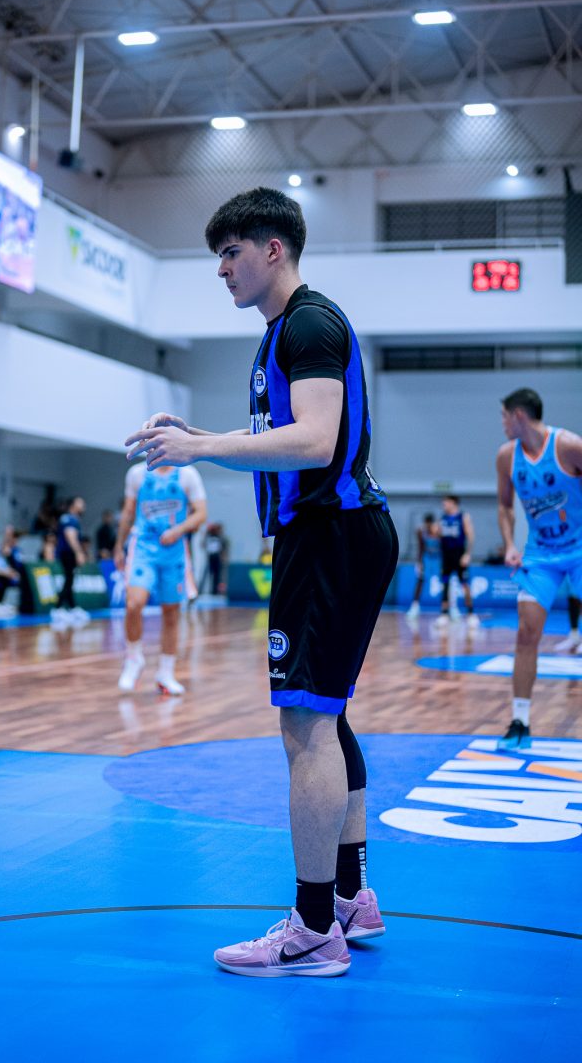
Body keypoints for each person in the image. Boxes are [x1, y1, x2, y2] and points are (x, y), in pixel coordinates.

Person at [124, 186, 398, 978]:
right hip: (333, 537)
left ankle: (313, 930)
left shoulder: (307, 324)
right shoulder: (283, 332)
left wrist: (203, 447)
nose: (222, 269)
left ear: (273, 249)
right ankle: (348, 897)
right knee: (328, 718)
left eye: (231, 252)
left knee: (305, 727)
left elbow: (315, 441)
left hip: (332, 536)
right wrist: (200, 435)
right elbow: (286, 434)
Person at [497, 387, 582, 747]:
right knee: (526, 634)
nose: (502, 424)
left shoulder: (568, 446)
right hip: (541, 555)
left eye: (504, 416)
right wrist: (510, 544)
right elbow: (505, 507)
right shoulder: (506, 457)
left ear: (518, 415)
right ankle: (520, 721)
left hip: (579, 549)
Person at [114, 463, 207, 696]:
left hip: (174, 550)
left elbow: (201, 514)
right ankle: (134, 658)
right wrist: (118, 546)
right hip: (143, 547)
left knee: (171, 612)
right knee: (133, 604)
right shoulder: (136, 474)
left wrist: (178, 530)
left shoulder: (187, 474)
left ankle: (166, 672)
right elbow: (128, 512)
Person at [433, 494, 479, 628]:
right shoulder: (442, 518)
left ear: (453, 503)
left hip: (459, 555)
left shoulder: (463, 517)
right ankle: (444, 614)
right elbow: (437, 535)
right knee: (445, 584)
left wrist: (467, 554)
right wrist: (436, 531)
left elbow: (471, 536)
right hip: (446, 556)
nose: (444, 505)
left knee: (465, 584)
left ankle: (471, 613)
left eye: (446, 503)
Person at [52, 496, 90, 627]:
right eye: (80, 502)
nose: (83, 505)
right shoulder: (69, 519)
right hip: (67, 553)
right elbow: (70, 536)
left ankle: (72, 608)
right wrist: (79, 552)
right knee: (68, 579)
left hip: (69, 553)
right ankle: (57, 609)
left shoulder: (73, 519)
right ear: (73, 505)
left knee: (70, 579)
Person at [406, 512, 439, 619]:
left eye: (430, 524)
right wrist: (419, 562)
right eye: (426, 524)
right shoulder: (421, 531)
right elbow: (421, 547)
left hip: (438, 558)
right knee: (420, 580)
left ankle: (450, 608)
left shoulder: (440, 531)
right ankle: (415, 607)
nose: (428, 526)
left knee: (446, 581)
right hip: (427, 558)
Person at [201, 522, 229, 595]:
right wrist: (206, 533)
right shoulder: (209, 537)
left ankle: (215, 591)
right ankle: (202, 590)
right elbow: (203, 544)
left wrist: (223, 556)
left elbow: (224, 548)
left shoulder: (221, 538)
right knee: (207, 575)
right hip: (210, 558)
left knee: (218, 576)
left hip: (217, 558)